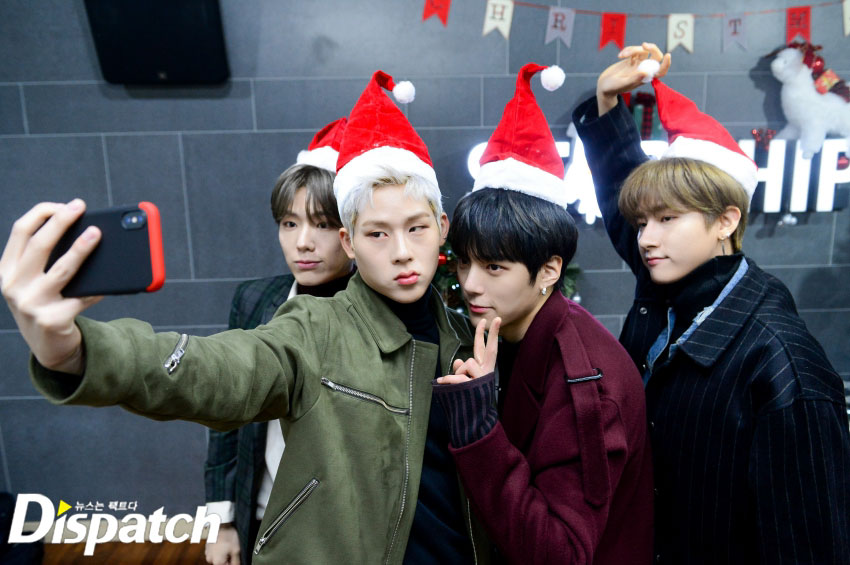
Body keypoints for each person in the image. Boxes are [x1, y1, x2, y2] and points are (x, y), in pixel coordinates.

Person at [0, 71, 487, 564]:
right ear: (349, 242)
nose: (402, 251)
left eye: (417, 228)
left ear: (441, 227)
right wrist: (75, 352)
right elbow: (218, 369)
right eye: (378, 234)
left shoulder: (468, 335)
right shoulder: (315, 327)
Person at [572, 43, 850, 563]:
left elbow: (809, 542)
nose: (646, 239)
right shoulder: (668, 286)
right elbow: (622, 194)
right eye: (642, 223)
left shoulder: (783, 364)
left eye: (667, 220)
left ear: (725, 220)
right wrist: (608, 103)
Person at [431, 63, 653, 564]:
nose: (470, 283)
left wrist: (477, 425)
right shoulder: (509, 332)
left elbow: (562, 553)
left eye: (494, 266)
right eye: (463, 262)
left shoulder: (585, 383)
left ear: (549, 270)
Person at [204, 118, 354, 565]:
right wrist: (221, 521)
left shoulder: (382, 312)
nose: (302, 242)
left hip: (348, 528)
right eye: (289, 223)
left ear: (351, 230)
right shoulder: (255, 301)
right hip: (265, 515)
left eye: (322, 224)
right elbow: (225, 412)